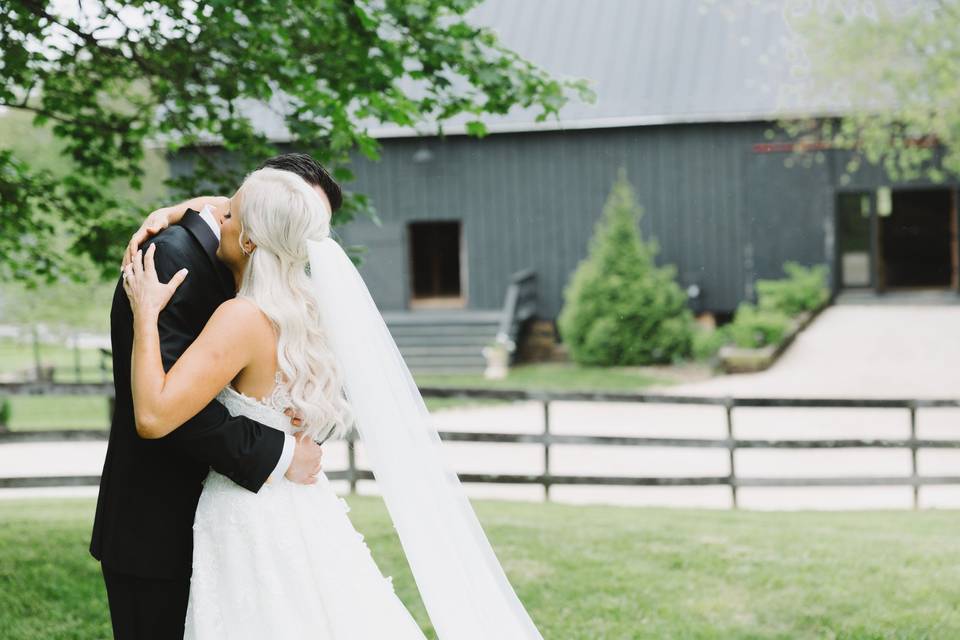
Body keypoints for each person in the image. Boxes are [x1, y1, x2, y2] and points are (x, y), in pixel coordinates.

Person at [122, 167, 428, 638]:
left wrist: (145, 314)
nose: (216, 218)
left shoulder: (240, 317)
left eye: (230, 214)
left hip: (247, 516)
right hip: (301, 508)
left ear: (247, 241)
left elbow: (153, 416)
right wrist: (176, 209)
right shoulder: (307, 312)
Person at [90, 155, 337, 640]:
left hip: (254, 524)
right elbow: (162, 411)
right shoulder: (172, 260)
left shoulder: (268, 295)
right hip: (160, 526)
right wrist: (280, 452)